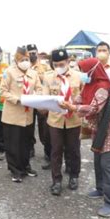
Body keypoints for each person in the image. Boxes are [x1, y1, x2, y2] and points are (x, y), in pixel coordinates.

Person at [61, 58, 110, 218]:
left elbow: (94, 108)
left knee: (108, 166)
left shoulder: (103, 87)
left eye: (85, 71)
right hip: (99, 130)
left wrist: (73, 108)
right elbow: (80, 99)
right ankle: (100, 189)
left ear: (93, 71)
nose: (83, 75)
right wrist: (66, 101)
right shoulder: (89, 86)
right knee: (98, 161)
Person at [43, 48, 83, 195]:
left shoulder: (79, 77)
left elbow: (85, 97)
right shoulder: (48, 78)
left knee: (74, 150)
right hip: (55, 120)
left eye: (61, 63)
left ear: (68, 62)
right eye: (56, 64)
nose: (59, 67)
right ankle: (56, 180)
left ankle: (74, 176)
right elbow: (45, 97)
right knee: (56, 150)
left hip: (73, 119)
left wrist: (74, 106)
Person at [0, 47, 43, 182]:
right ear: (16, 60)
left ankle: (25, 166)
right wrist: (17, 99)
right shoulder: (9, 72)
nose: (25, 62)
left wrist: (37, 95)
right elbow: (3, 91)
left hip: (28, 115)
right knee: (13, 144)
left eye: (27, 59)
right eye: (22, 60)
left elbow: (39, 88)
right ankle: (15, 170)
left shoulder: (33, 73)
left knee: (26, 143)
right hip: (13, 115)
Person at [26, 43, 51, 161]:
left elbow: (50, 79)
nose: (32, 55)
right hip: (29, 100)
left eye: (33, 53)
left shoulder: (45, 66)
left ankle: (47, 150)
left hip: (41, 100)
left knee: (44, 127)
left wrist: (40, 78)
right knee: (29, 126)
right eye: (29, 53)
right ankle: (30, 148)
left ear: (37, 53)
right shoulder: (24, 65)